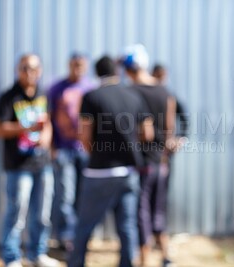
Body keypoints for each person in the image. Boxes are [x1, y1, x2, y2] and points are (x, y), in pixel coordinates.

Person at [67, 55, 154, 267]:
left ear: (97, 73)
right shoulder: (133, 95)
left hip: (98, 172)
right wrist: (130, 143)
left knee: (84, 227)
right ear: (117, 73)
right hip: (128, 173)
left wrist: (94, 153)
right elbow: (148, 133)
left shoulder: (91, 96)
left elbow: (85, 136)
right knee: (127, 227)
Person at [0, 54, 59, 267]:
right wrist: (27, 128)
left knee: (42, 214)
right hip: (18, 166)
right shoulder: (9, 97)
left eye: (34, 68)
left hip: (42, 164)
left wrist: (46, 137)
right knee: (16, 214)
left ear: (40, 70)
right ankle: (12, 257)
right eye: (25, 68)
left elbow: (47, 122)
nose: (30, 72)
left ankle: (37, 254)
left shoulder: (42, 94)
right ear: (18, 70)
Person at [121, 45, 177, 267]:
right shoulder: (165, 92)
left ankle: (144, 258)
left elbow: (140, 132)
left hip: (141, 162)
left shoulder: (131, 92)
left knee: (141, 211)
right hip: (161, 162)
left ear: (127, 68)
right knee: (158, 208)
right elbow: (170, 129)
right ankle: (166, 255)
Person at [48, 53, 95, 251]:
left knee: (83, 195)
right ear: (69, 65)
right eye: (75, 64)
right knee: (65, 195)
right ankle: (67, 238)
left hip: (85, 150)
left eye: (81, 65)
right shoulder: (56, 88)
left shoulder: (90, 88)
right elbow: (48, 118)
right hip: (64, 149)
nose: (78, 68)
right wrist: (52, 147)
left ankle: (80, 236)